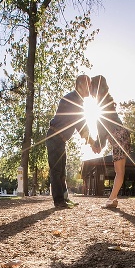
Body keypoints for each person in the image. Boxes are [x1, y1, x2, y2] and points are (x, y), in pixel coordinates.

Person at [45, 74, 98, 209]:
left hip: (60, 140)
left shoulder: (77, 100)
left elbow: (80, 123)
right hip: (54, 137)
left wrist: (91, 141)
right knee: (56, 171)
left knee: (62, 171)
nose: (90, 88)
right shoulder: (72, 99)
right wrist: (92, 142)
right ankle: (59, 201)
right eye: (88, 85)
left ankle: (64, 199)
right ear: (80, 85)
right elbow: (81, 124)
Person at [90, 75, 132, 209]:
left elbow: (102, 129)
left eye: (91, 86)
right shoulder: (106, 101)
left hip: (118, 136)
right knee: (120, 171)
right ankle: (113, 198)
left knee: (119, 171)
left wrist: (98, 145)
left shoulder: (101, 104)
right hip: (122, 135)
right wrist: (98, 143)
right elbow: (103, 129)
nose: (89, 89)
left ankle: (112, 199)